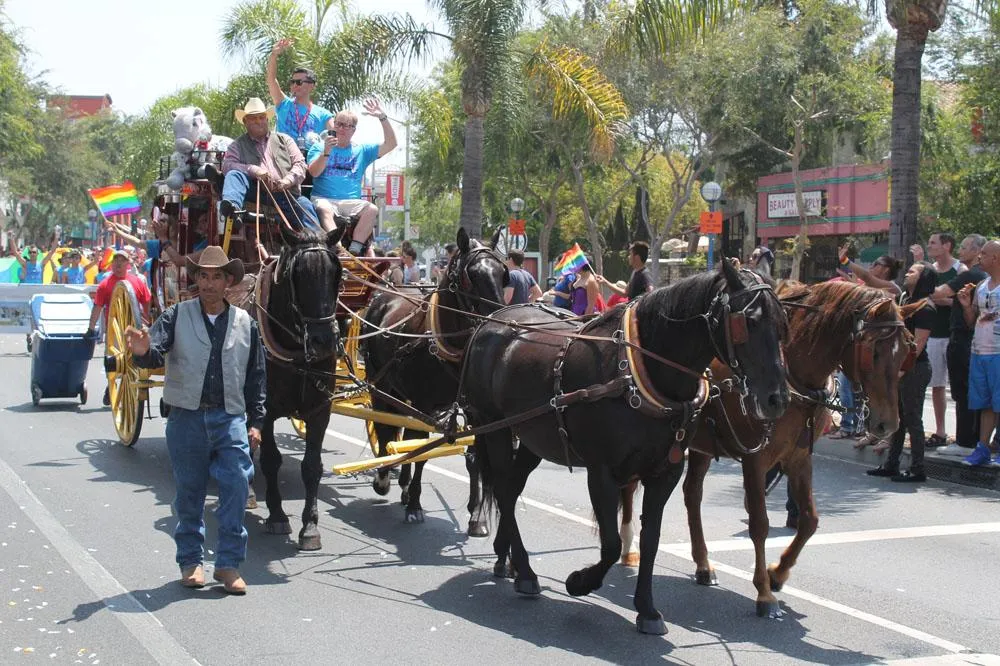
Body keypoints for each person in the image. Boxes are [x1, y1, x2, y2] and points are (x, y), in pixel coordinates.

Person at [125, 247, 264, 595]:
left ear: (228, 282)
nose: (208, 283)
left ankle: (228, 564)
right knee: (190, 493)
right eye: (203, 276)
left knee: (237, 484)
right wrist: (142, 350)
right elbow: (155, 352)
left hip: (229, 417)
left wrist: (257, 422)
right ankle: (190, 562)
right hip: (186, 417)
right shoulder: (176, 316)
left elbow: (256, 377)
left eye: (216, 277)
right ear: (197, 279)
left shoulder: (246, 324)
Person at [867, 262, 937, 482]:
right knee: (898, 418)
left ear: (923, 278)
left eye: (913, 271)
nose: (907, 273)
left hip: (915, 369)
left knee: (913, 419)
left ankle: (917, 469)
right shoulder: (904, 300)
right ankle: (891, 464)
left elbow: (919, 343)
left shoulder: (926, 308)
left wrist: (902, 369)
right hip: (900, 367)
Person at [306, 100, 397, 254]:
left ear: (354, 130)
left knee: (372, 209)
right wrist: (326, 152)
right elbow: (314, 172)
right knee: (324, 208)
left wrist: (382, 117)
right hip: (324, 198)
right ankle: (339, 249)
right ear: (334, 125)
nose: (342, 129)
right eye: (339, 124)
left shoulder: (362, 150)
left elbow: (391, 144)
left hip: (351, 202)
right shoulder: (319, 147)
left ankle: (355, 249)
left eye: (347, 126)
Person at [220, 98, 319, 231]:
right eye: (253, 118)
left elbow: (300, 164)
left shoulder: (285, 140)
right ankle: (233, 209)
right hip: (255, 195)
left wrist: (288, 180)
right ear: (245, 122)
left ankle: (318, 241)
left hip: (286, 195)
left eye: (261, 117)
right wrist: (253, 170)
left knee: (305, 205)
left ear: (267, 119)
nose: (258, 121)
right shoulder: (237, 145)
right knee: (234, 174)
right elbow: (227, 166)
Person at [930, 234, 988, 457]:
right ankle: (973, 440)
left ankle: (965, 441)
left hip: (963, 339)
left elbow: (939, 292)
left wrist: (922, 279)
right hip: (972, 339)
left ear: (977, 251)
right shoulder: (982, 277)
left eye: (964, 247)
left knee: (962, 391)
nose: (960, 251)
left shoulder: (971, 275)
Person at [912, 234, 966, 447]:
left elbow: (964, 301)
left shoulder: (960, 270)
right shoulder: (931, 270)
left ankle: (964, 435)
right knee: (937, 385)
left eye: (933, 242)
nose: (929, 246)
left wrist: (943, 300)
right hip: (933, 335)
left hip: (954, 335)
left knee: (960, 386)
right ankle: (941, 431)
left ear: (947, 245)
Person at [87, 250, 152, 406]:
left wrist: (148, 318)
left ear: (127, 264)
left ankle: (128, 385)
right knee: (114, 361)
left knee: (136, 360)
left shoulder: (137, 282)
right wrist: (91, 328)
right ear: (112, 263)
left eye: (122, 260)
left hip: (134, 327)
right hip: (115, 329)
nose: (118, 263)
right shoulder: (105, 284)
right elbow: (97, 306)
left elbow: (147, 300)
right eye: (116, 260)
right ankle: (111, 386)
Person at [955, 240, 1000, 467]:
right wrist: (965, 305)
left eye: (983, 253)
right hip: (980, 352)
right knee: (985, 404)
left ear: (996, 258)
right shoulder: (981, 285)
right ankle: (982, 448)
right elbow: (972, 321)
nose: (979, 257)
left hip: (998, 353)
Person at [266, 39, 334, 153]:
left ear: (312, 85)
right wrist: (273, 55)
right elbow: (271, 80)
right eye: (292, 82)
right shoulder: (283, 104)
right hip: (283, 157)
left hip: (311, 159)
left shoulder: (324, 114)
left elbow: (336, 136)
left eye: (299, 82)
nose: (294, 85)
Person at [838, 246, 903, 297]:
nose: (871, 266)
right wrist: (853, 284)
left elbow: (866, 277)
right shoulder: (870, 285)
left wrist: (845, 260)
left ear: (886, 270)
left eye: (875, 264)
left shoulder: (892, 287)